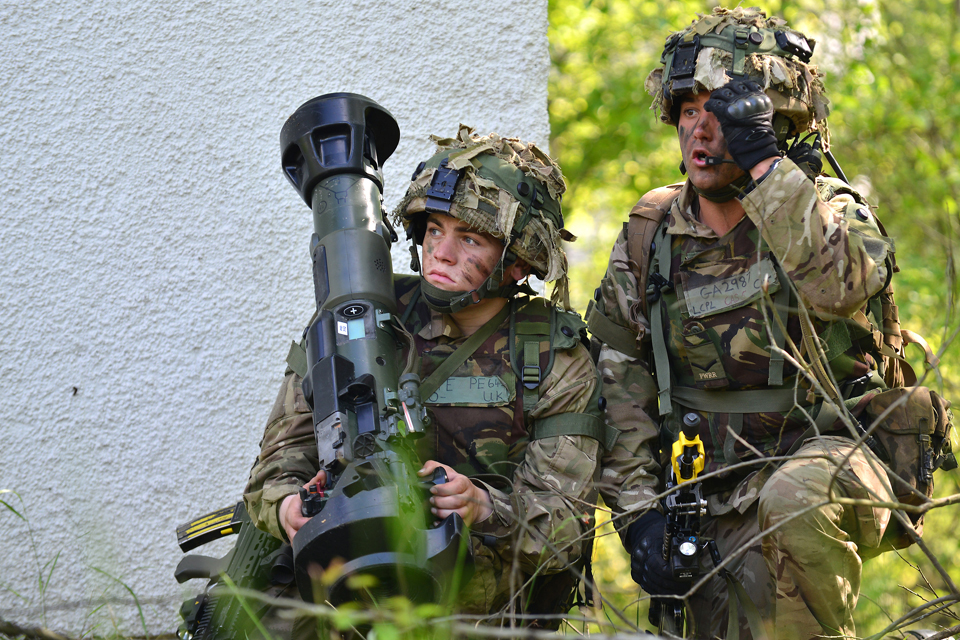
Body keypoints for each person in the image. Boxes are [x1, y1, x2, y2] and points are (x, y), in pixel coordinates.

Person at [586, 7, 906, 640]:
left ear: (773, 123)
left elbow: (839, 284)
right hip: (706, 489)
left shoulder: (828, 210)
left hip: (831, 462)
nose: (701, 131)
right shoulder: (652, 233)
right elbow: (619, 388)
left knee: (795, 503)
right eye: (687, 111)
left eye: (724, 113)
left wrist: (764, 166)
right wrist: (639, 519)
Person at [243, 126, 645, 630]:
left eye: (469, 238)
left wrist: (483, 504)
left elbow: (563, 520)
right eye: (434, 230)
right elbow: (275, 467)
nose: (443, 253)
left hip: (474, 594)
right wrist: (287, 509)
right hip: (345, 573)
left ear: (517, 262)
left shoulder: (551, 354)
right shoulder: (364, 319)